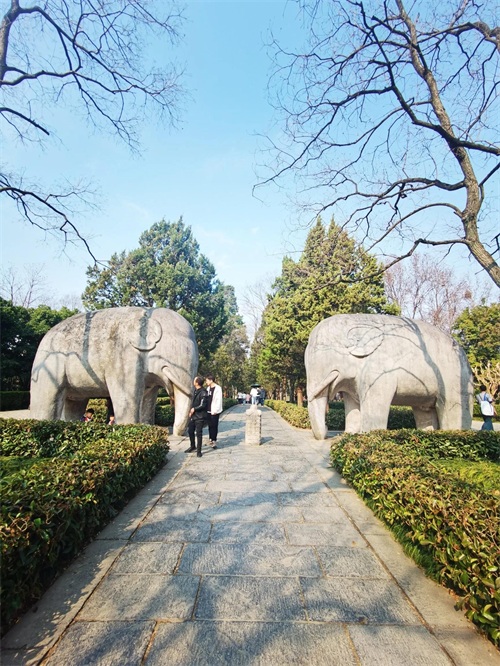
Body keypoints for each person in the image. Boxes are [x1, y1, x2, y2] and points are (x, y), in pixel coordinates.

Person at [185, 376, 208, 457]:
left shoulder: (204, 393)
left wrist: (194, 409)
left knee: (199, 433)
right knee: (190, 431)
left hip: (200, 416)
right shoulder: (195, 391)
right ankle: (192, 446)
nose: (193, 381)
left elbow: (203, 405)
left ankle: (199, 451)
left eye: (194, 380)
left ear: (197, 383)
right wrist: (191, 411)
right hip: (193, 416)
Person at [205, 374, 223, 449]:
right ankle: (210, 438)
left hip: (214, 410)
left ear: (211, 380)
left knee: (214, 426)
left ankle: (214, 440)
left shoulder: (218, 388)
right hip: (208, 410)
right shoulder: (208, 388)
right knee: (210, 425)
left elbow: (219, 400)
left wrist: (216, 410)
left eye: (207, 380)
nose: (206, 382)